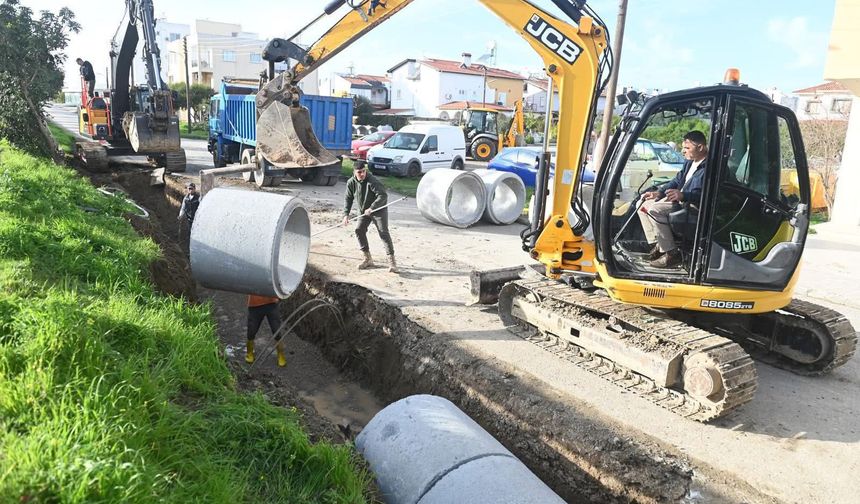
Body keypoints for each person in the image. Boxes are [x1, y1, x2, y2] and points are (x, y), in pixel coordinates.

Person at [636, 130, 708, 268]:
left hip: (693, 205)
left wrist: (684, 195)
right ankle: (658, 244)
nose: (683, 151)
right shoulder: (690, 162)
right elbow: (677, 180)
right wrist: (659, 193)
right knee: (641, 204)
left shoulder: (709, 168)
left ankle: (672, 253)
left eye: (687, 148)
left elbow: (707, 196)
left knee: (655, 210)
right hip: (680, 200)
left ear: (700, 147)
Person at [343, 163, 397, 272]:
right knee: (359, 230)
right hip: (364, 211)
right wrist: (346, 214)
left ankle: (392, 262)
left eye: (364, 171)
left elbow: (383, 195)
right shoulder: (351, 182)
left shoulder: (373, 181)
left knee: (383, 233)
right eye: (359, 172)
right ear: (354, 172)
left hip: (378, 210)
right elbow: (348, 198)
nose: (362, 174)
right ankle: (367, 259)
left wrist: (372, 207)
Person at [245, 295, 286, 366]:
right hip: (254, 304)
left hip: (272, 304)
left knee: (276, 330)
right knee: (251, 331)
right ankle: (249, 353)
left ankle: (280, 354)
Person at [177, 182, 200, 254]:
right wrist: (180, 215)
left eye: (192, 189)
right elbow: (183, 208)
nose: (190, 190)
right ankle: (189, 248)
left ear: (194, 189)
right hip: (189, 219)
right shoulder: (186, 198)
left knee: (195, 233)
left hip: (196, 219)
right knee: (189, 233)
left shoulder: (198, 198)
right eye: (189, 189)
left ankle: (196, 247)